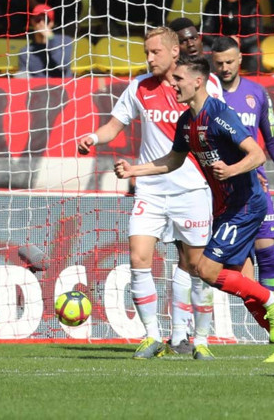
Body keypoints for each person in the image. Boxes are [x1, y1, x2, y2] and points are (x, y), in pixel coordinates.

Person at [114, 53, 274, 363]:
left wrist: (232, 169)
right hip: (225, 208)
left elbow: (257, 154)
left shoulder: (220, 114)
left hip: (245, 206)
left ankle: (272, 298)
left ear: (198, 81)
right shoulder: (187, 121)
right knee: (238, 281)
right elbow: (173, 160)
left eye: (179, 79)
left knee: (206, 269)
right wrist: (135, 170)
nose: (173, 85)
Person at [77, 27, 221, 360]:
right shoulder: (139, 87)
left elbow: (219, 127)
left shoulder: (203, 85)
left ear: (174, 52)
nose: (149, 58)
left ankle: (197, 338)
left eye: (155, 52)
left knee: (197, 267)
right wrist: (93, 138)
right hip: (151, 190)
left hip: (192, 189)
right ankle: (152, 336)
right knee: (138, 258)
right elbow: (114, 126)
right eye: (146, 53)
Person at [211, 36, 274, 319]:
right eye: (219, 63)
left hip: (256, 187)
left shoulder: (257, 93)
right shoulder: (208, 95)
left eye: (229, 61)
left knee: (268, 255)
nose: (225, 68)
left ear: (240, 59)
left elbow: (272, 140)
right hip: (221, 190)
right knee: (223, 266)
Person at [201, 0, 260, 74]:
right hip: (217, 44)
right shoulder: (213, 3)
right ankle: (211, 79)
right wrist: (222, 42)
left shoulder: (251, 4)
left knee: (256, 52)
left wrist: (241, 41)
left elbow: (257, 33)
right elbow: (205, 31)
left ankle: (254, 80)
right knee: (205, 51)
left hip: (243, 45)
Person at [18, 4, 73, 78]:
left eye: (46, 20)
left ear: (51, 23)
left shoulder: (65, 41)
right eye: (38, 19)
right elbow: (24, 76)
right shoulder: (25, 52)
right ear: (32, 22)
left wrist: (51, 39)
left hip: (62, 83)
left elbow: (63, 65)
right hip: (39, 84)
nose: (42, 23)